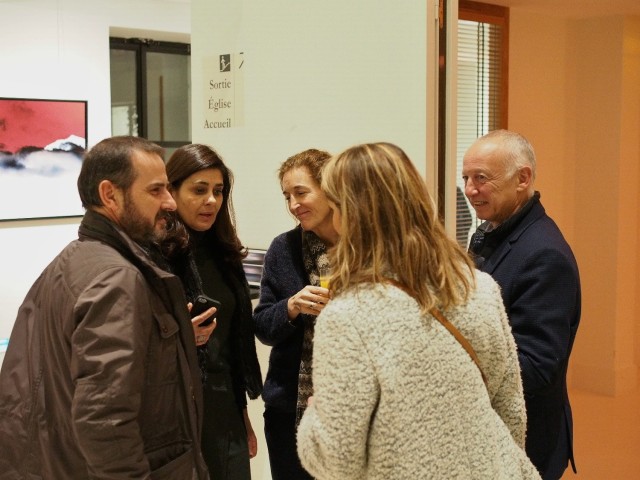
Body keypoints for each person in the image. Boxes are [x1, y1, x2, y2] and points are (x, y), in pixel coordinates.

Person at [296, 142, 540, 480]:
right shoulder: (479, 287)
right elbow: (509, 409)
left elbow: (338, 460)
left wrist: (313, 418)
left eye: (335, 207)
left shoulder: (348, 316)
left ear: (351, 216)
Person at [0, 136, 209, 479]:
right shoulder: (115, 278)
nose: (170, 203)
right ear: (110, 194)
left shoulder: (71, 261)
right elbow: (104, 419)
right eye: (156, 190)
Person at [462, 129, 581, 480]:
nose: (469, 189)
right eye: (466, 178)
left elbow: (536, 368)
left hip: (526, 444)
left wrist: (452, 361)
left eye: (481, 178)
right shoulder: (488, 231)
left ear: (522, 178)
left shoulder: (544, 255)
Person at [163, 144, 263, 480]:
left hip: (225, 404)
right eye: (199, 190)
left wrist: (242, 414)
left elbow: (234, 344)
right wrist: (181, 336)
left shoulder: (225, 254)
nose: (211, 201)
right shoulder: (157, 257)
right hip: (178, 407)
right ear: (172, 191)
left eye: (218, 191)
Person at [253, 148, 337, 480]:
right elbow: (262, 326)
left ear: (330, 188)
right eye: (287, 196)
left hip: (349, 406)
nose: (293, 205)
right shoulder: (283, 248)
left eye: (301, 193)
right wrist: (290, 307)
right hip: (288, 407)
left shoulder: (364, 250)